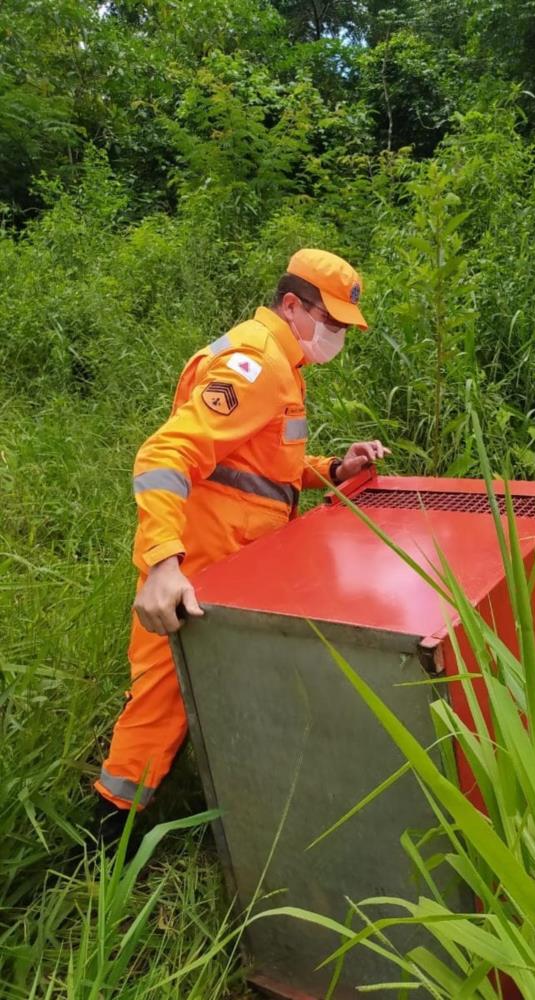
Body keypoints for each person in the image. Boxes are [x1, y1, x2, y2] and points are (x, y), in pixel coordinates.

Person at [94, 248, 390, 841]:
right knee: (161, 699)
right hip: (196, 563)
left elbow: (264, 465)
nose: (335, 336)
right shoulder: (256, 362)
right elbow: (164, 455)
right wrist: (162, 565)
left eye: (342, 327)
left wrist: (333, 468)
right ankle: (104, 845)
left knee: (205, 687)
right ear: (291, 304)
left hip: (238, 562)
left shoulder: (281, 363)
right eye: (330, 322)